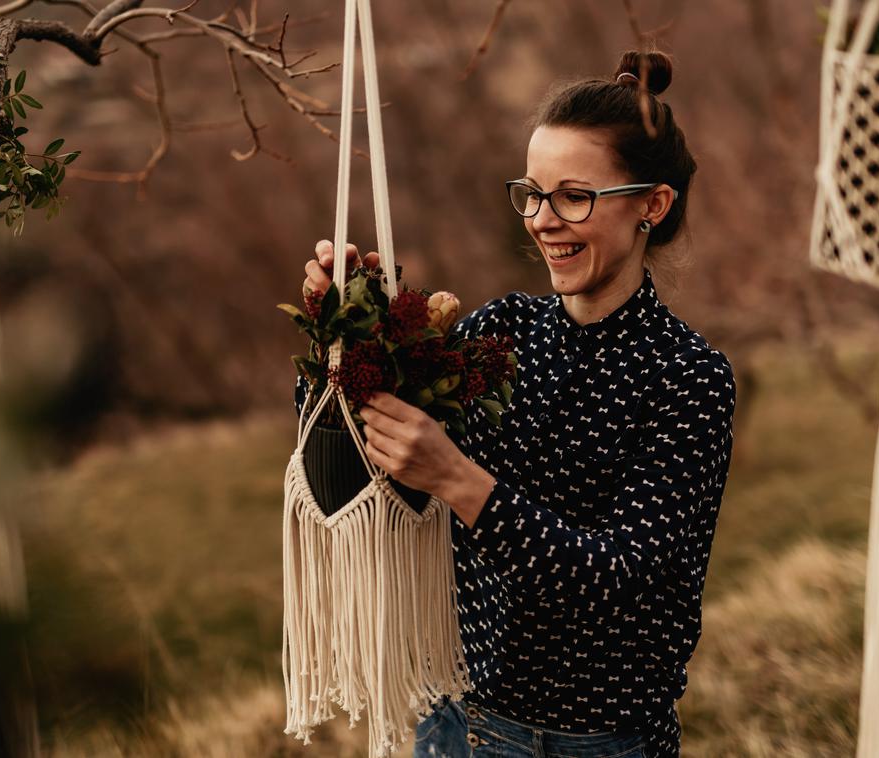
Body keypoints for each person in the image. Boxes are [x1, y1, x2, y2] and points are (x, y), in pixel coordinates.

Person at [300, 50, 734, 758]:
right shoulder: (500, 333)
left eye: (574, 196)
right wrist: (344, 336)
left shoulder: (688, 378)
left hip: (600, 745)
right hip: (458, 725)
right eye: (531, 193)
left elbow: (617, 578)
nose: (543, 220)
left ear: (652, 205)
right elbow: (348, 461)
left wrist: (458, 480)